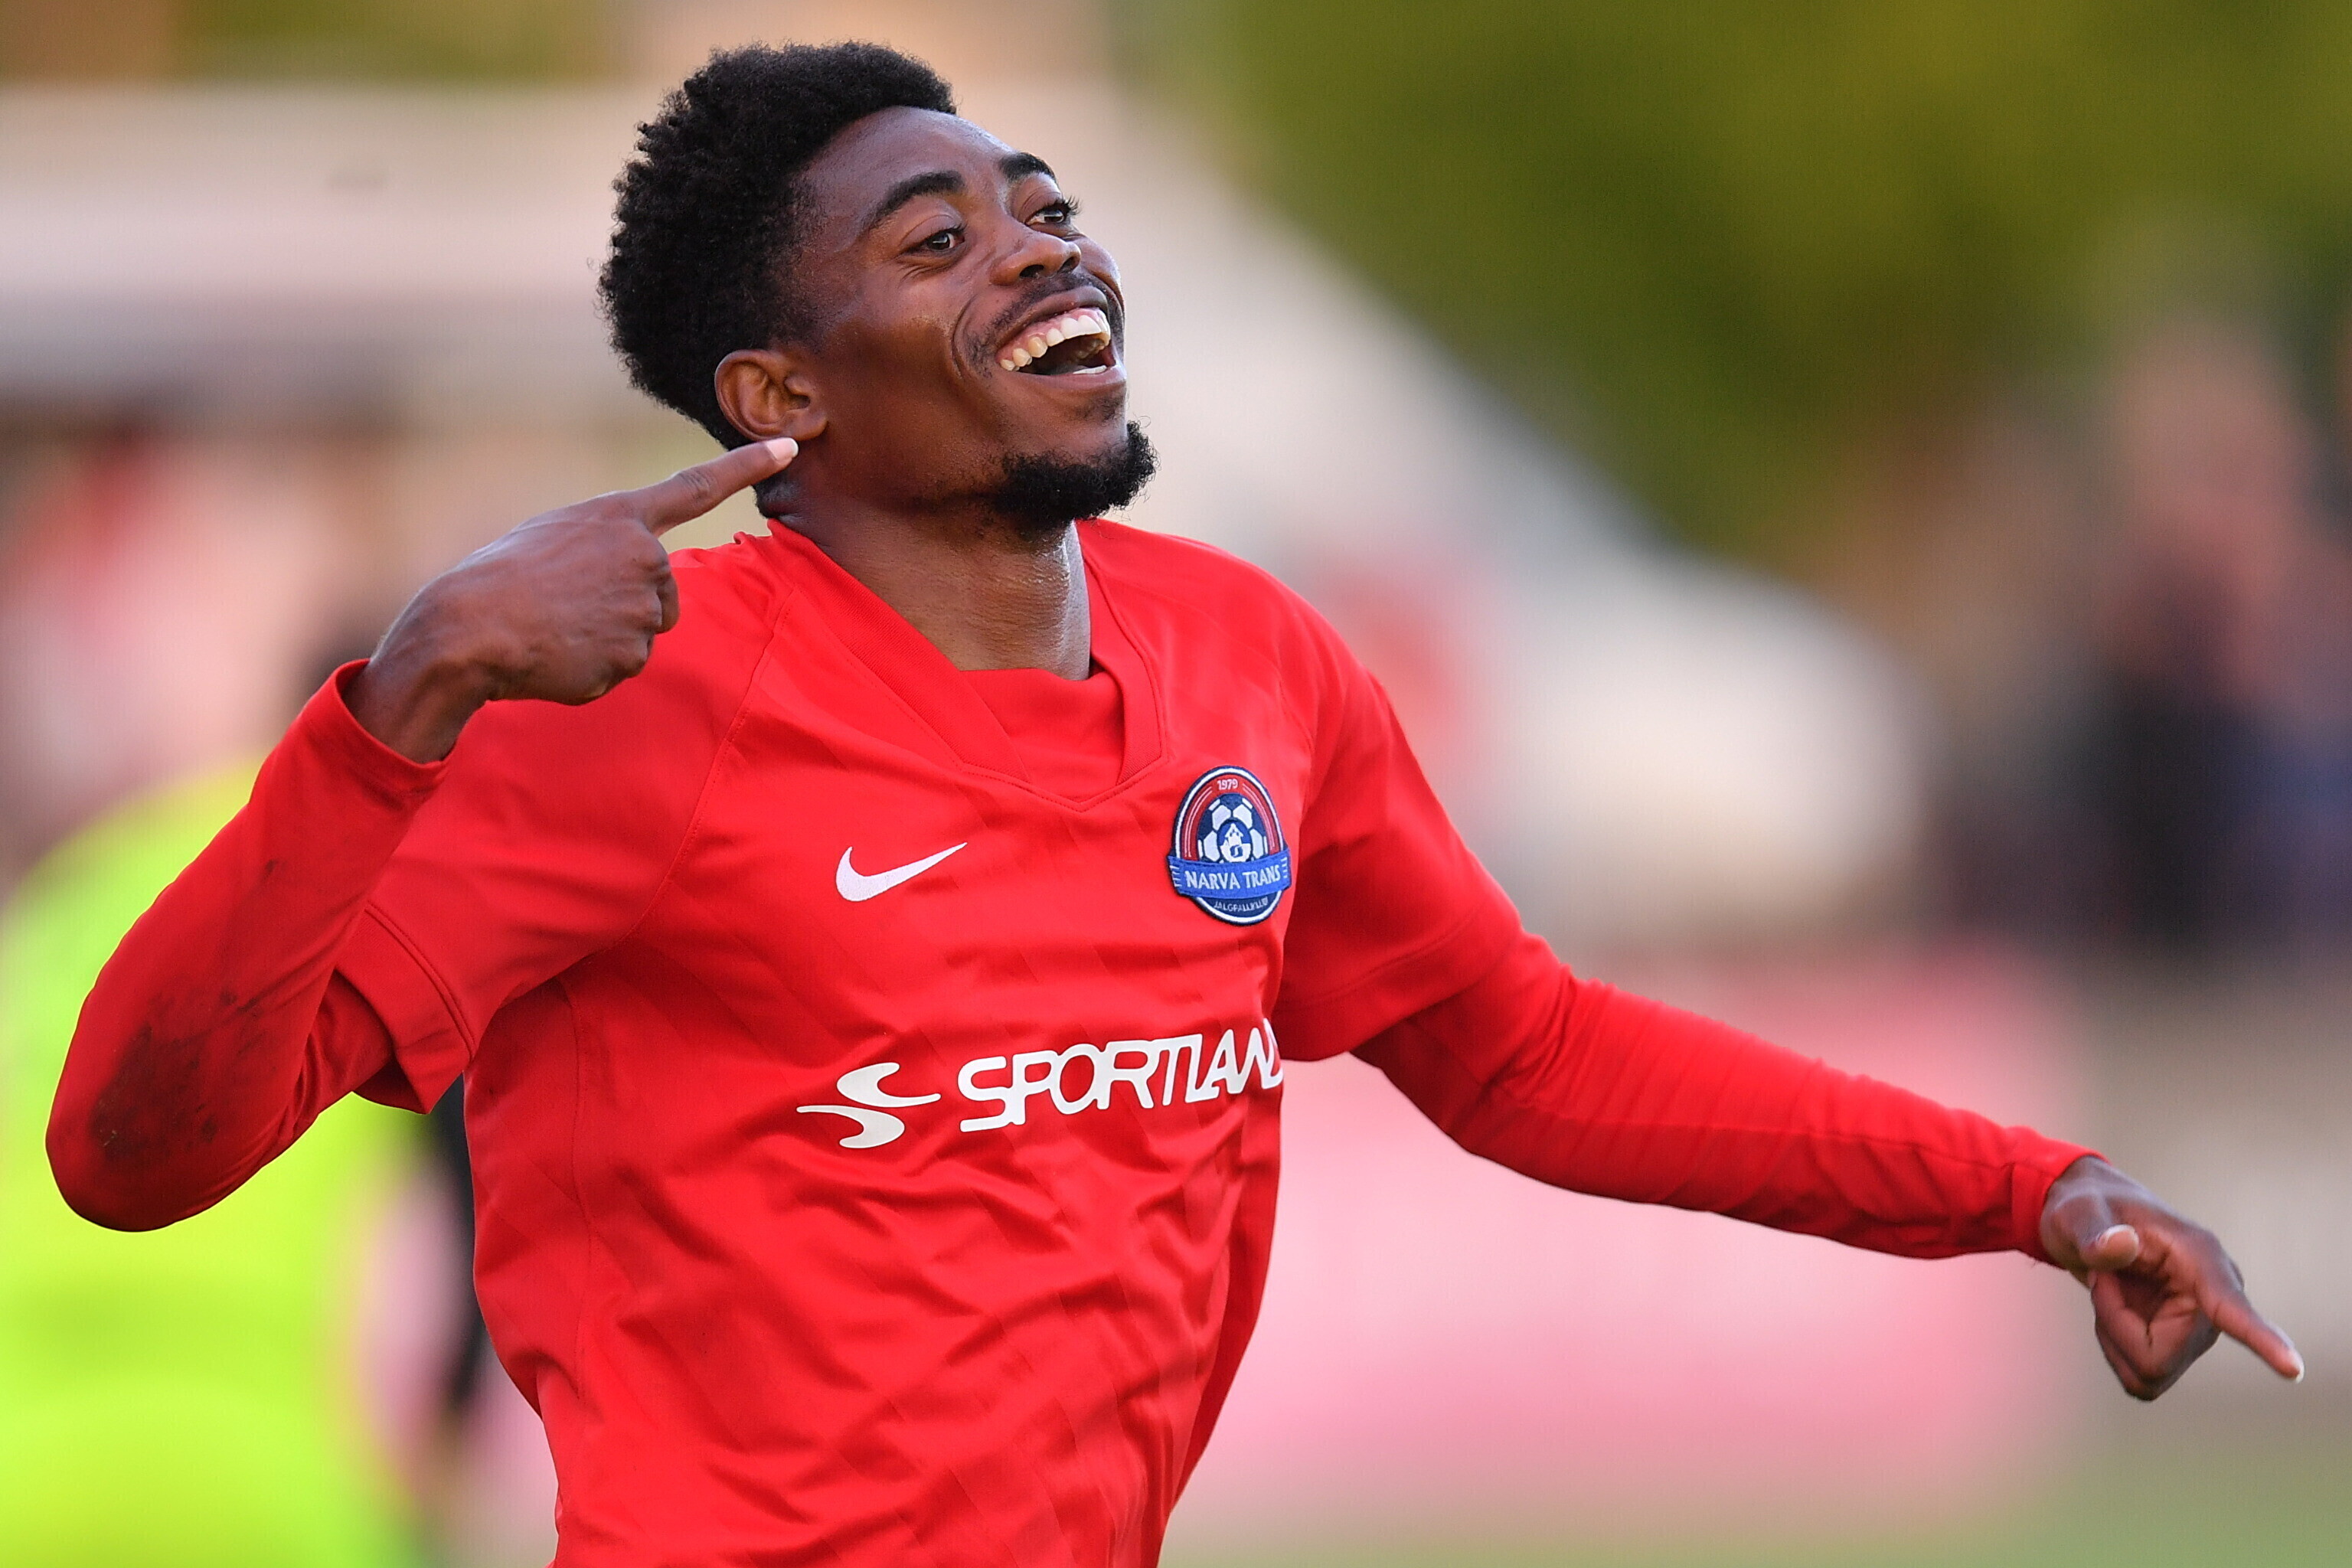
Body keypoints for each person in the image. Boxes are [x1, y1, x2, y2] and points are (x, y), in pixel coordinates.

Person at [50, 42, 2298, 1567]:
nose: (1039, 248)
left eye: (1039, 206)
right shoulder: (618, 699)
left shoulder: (1251, 661)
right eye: (933, 242)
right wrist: (406, 693)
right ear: (773, 395)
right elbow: (130, 1157)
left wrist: (2026, 1184)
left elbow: (1525, 1050)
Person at [1, 766, 416, 1567]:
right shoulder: (390, 883)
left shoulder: (60, 905)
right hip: (279, 1485)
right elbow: (414, 1290)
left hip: (21, 1482)